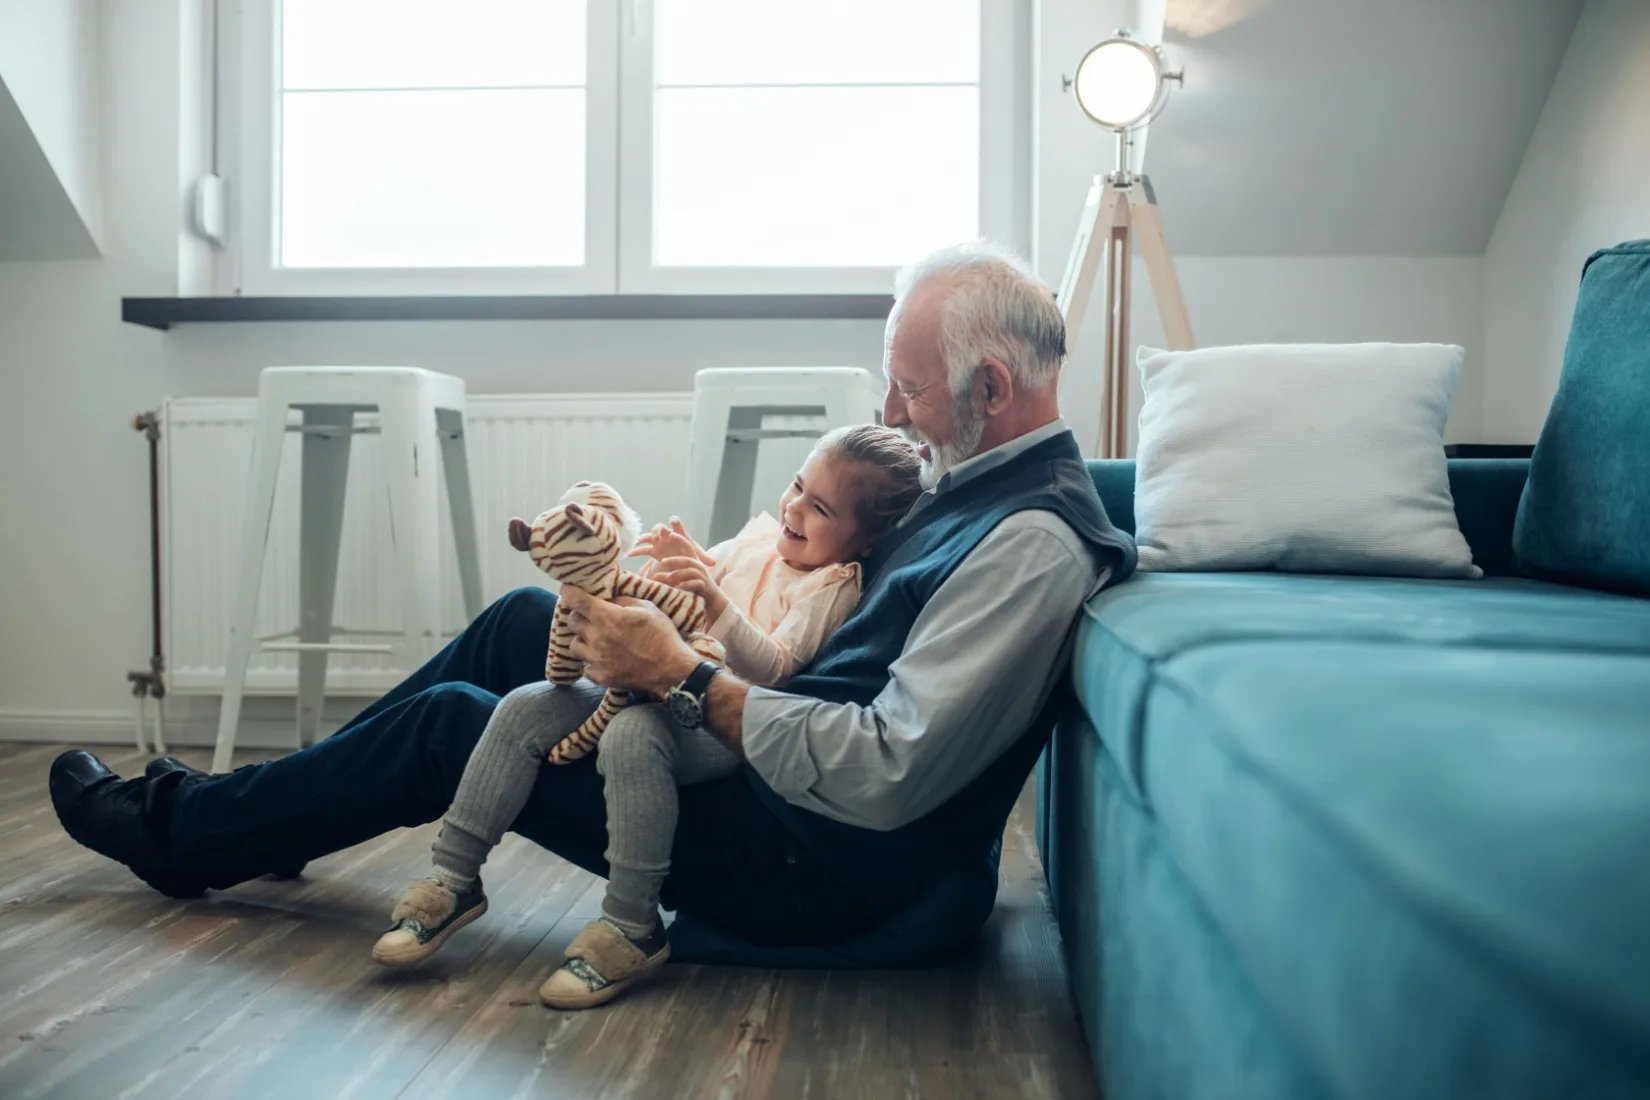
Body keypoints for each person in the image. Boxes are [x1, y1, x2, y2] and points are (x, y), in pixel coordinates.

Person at [48, 239, 1138, 1010]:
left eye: (906, 388)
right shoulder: (974, 477)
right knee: (528, 616)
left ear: (990, 386)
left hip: (817, 860)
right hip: (770, 769)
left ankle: (180, 835)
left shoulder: (1029, 542)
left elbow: (889, 770)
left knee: (458, 723)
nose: (890, 411)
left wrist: (685, 677)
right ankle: (268, 820)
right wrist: (691, 602)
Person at [372, 426, 925, 1010]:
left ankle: (631, 925)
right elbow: (689, 592)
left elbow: (776, 669)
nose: (794, 508)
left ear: (864, 541)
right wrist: (676, 569)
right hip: (649, 681)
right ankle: (452, 880)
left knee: (634, 737)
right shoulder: (763, 536)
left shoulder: (832, 584)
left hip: (718, 715)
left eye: (820, 508)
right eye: (797, 486)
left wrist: (713, 599)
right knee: (523, 707)